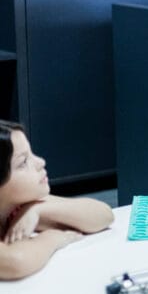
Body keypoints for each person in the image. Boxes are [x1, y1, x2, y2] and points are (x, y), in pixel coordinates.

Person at [0, 120, 114, 280]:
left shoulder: (18, 207)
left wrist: (38, 209)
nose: (41, 162)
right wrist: (53, 238)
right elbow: (15, 263)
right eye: (23, 162)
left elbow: (103, 215)